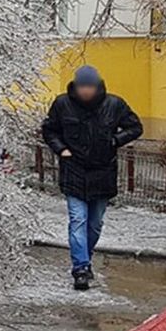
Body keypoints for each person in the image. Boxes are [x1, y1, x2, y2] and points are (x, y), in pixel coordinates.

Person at [41, 65, 142, 291]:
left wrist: (115, 140)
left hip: (102, 172)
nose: (86, 91)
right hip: (73, 171)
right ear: (76, 86)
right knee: (78, 220)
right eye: (82, 86)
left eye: (90, 87)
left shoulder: (114, 105)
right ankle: (80, 268)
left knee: (94, 224)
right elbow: (49, 130)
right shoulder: (62, 104)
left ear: (97, 86)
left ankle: (85, 255)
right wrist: (61, 150)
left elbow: (135, 127)